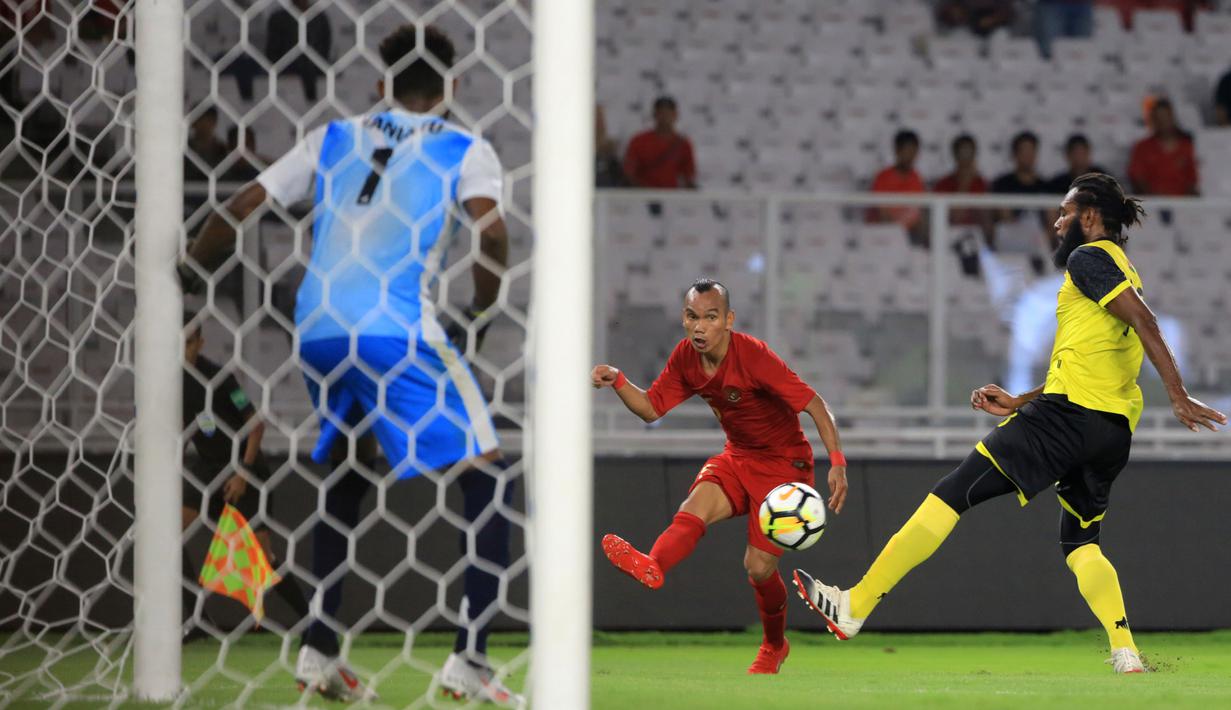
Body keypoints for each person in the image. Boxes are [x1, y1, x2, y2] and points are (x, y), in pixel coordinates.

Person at [181, 24, 521, 706]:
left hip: (318, 327)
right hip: (396, 328)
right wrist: (478, 311)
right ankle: (471, 659)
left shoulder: (334, 136)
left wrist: (186, 271)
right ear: (451, 88)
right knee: (488, 475)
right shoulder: (465, 147)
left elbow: (244, 204)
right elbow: (492, 232)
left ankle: (318, 651)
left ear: (381, 86)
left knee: (347, 472)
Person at [793, 173, 1226, 674]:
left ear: (1089, 216)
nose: (1057, 221)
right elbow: (1091, 360)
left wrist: (1178, 395)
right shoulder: (1123, 267)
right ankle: (1125, 650)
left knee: (952, 493)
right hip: (1109, 432)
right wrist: (1022, 401)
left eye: (1065, 212)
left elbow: (1146, 321)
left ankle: (855, 606)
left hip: (1066, 420)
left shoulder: (1090, 258)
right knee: (1081, 543)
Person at [593, 278, 849, 675]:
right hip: (738, 456)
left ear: (728, 320)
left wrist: (837, 462)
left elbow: (815, 404)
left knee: (758, 568)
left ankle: (774, 645)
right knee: (694, 506)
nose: (700, 327)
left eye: (710, 318)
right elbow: (650, 408)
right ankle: (654, 564)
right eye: (693, 317)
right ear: (684, 319)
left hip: (784, 465)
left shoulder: (754, 357)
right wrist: (620, 381)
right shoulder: (685, 358)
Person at [181, 310, 311, 639]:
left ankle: (312, 623)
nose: (182, 351)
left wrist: (241, 473)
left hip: (244, 467)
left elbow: (255, 426)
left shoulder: (219, 379)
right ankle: (196, 620)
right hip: (207, 470)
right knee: (167, 538)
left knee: (263, 558)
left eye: (187, 343)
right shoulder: (171, 380)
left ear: (200, 342)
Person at [1128, 98, 1199, 196]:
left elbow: (1192, 180)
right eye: (1159, 118)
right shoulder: (1142, 147)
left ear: (1172, 117)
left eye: (1165, 117)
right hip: (1152, 203)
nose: (1163, 122)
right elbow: (1136, 178)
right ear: (1153, 121)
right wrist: (1155, 200)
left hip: (1183, 204)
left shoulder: (1186, 146)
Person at [622, 96, 697, 188]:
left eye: (668, 113)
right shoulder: (639, 141)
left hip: (670, 195)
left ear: (675, 115)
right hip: (642, 196)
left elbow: (689, 175)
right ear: (654, 115)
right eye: (661, 113)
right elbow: (629, 172)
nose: (664, 117)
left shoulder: (683, 144)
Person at [265, 0, 331, 102]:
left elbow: (325, 45)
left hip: (314, 65)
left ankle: (311, 100)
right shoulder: (279, 18)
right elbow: (272, 49)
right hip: (287, 65)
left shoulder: (319, 17)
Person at [868, 129, 927, 244]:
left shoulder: (916, 177)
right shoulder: (883, 177)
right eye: (907, 150)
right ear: (897, 150)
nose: (911, 155)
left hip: (912, 234)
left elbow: (918, 213)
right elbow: (883, 215)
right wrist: (899, 231)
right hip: (886, 234)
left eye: (914, 151)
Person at [932, 133, 989, 227]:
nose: (967, 156)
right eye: (963, 152)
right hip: (949, 234)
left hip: (975, 234)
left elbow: (985, 221)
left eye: (970, 152)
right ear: (955, 154)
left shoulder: (982, 184)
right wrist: (965, 182)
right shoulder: (943, 184)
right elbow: (955, 218)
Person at [186, 107, 228, 181]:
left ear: (214, 122)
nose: (204, 124)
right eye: (200, 119)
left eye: (208, 120)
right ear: (192, 122)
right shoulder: (185, 149)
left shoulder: (222, 150)